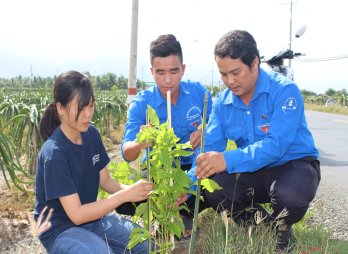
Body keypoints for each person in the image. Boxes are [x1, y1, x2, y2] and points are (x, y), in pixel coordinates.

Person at [185, 30, 321, 252]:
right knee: (214, 189)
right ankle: (268, 230)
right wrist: (188, 186)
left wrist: (226, 159)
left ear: (255, 63)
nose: (229, 81)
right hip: (254, 170)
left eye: (235, 72)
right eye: (223, 74)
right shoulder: (222, 103)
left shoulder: (285, 91)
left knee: (289, 196)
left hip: (294, 164)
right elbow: (209, 149)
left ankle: (284, 224)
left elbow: (276, 146)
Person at [34, 70, 153, 254]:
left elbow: (105, 181)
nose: (88, 114)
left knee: (146, 245)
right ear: (60, 108)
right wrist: (125, 195)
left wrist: (141, 191)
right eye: (80, 108)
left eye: (90, 105)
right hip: (60, 230)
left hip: (92, 220)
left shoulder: (91, 134)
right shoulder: (55, 153)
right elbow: (77, 214)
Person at [118, 34, 212, 220]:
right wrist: (139, 143)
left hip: (192, 165)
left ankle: (180, 211)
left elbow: (219, 122)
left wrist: (203, 131)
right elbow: (126, 153)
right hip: (158, 169)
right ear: (152, 72)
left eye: (174, 71)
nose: (167, 80)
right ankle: (169, 213)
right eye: (160, 73)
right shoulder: (142, 103)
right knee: (130, 199)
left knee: (214, 186)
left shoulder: (197, 93)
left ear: (183, 69)